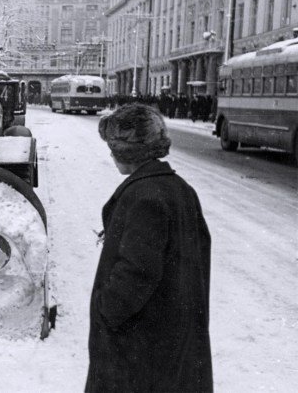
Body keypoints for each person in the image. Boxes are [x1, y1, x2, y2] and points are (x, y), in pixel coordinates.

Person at [87, 103, 213, 392]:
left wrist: (107, 309)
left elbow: (137, 271)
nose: (110, 154)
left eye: (114, 147)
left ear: (127, 152)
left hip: (141, 346)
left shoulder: (145, 196)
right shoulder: (179, 188)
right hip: (170, 338)